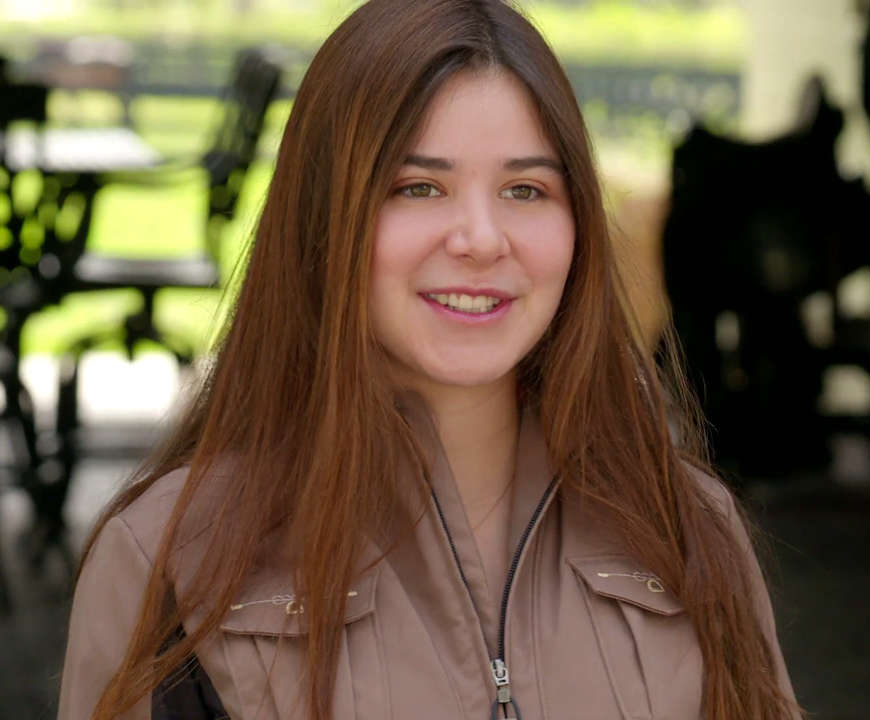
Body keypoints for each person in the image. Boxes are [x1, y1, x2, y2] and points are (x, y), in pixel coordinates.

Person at [57, 1, 800, 718]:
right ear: (324, 217)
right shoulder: (171, 563)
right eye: (418, 188)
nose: (480, 238)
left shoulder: (687, 529)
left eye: (525, 189)